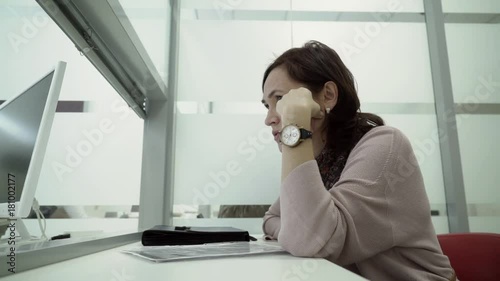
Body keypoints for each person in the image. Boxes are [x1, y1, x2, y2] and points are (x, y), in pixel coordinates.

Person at [261, 41, 457, 281]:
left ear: (328, 96)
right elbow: (271, 218)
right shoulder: (320, 160)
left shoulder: (384, 144)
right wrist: (291, 231)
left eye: (280, 100)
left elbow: (309, 240)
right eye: (266, 106)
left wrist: (295, 127)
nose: (269, 118)